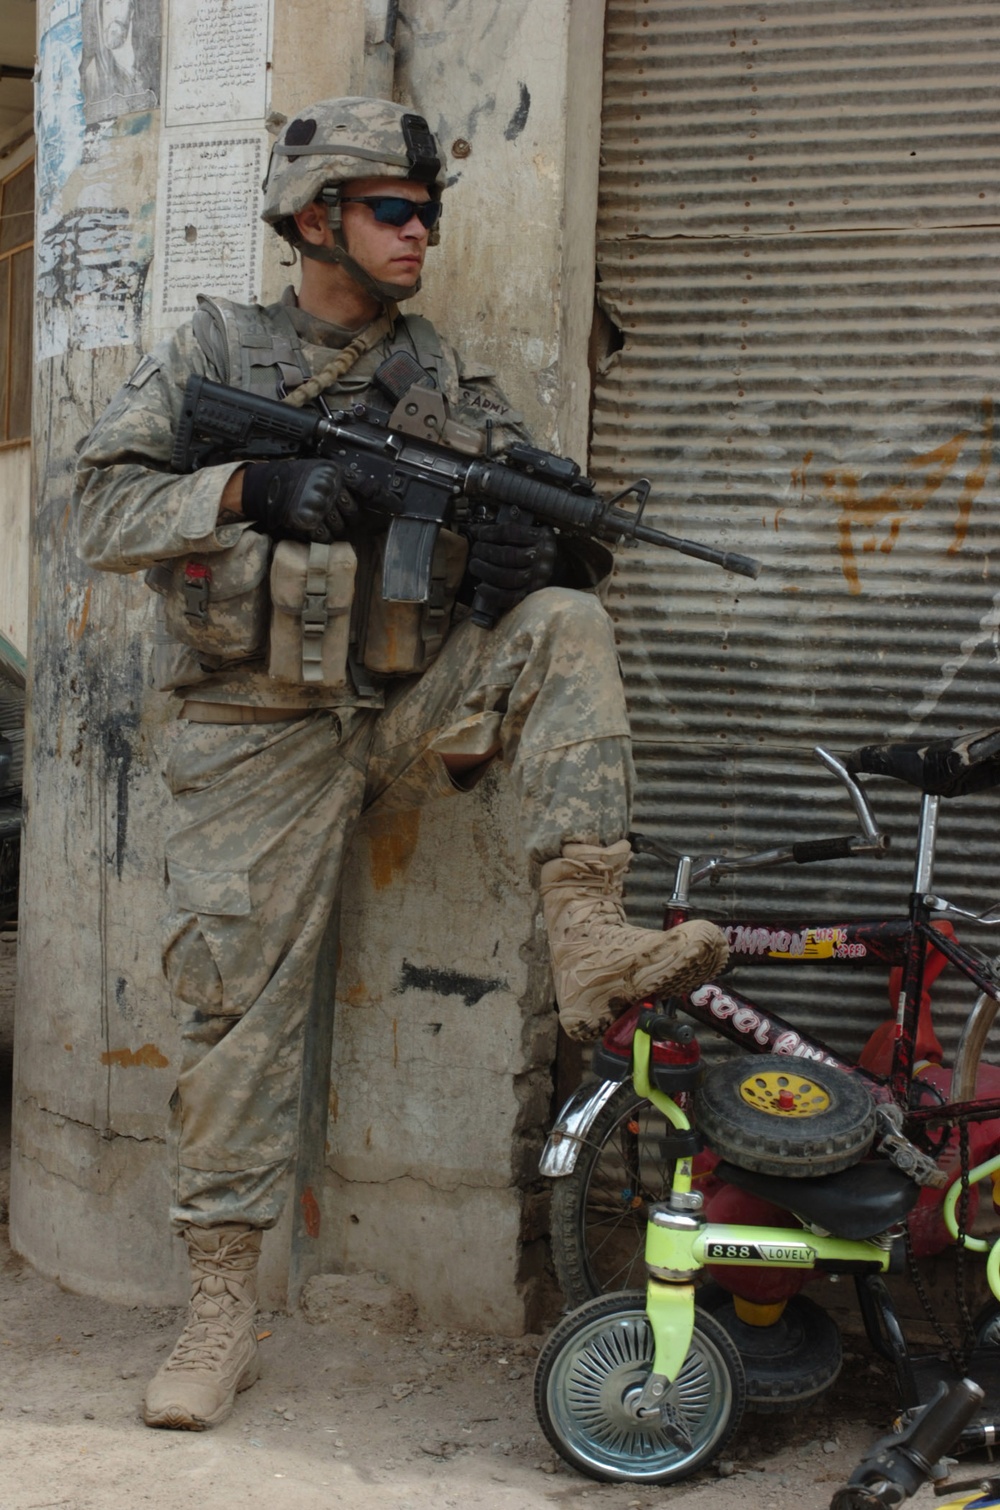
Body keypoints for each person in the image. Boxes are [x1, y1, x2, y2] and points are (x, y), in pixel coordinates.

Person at [73, 97, 728, 1432]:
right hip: (252, 726)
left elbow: (540, 547)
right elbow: (94, 507)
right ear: (317, 220)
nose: (421, 231)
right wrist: (253, 491)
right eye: (394, 210)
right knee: (230, 1012)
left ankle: (591, 933)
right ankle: (216, 1305)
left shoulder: (442, 381)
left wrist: (529, 559)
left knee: (568, 623)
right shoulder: (217, 351)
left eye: (429, 211)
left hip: (405, 699)